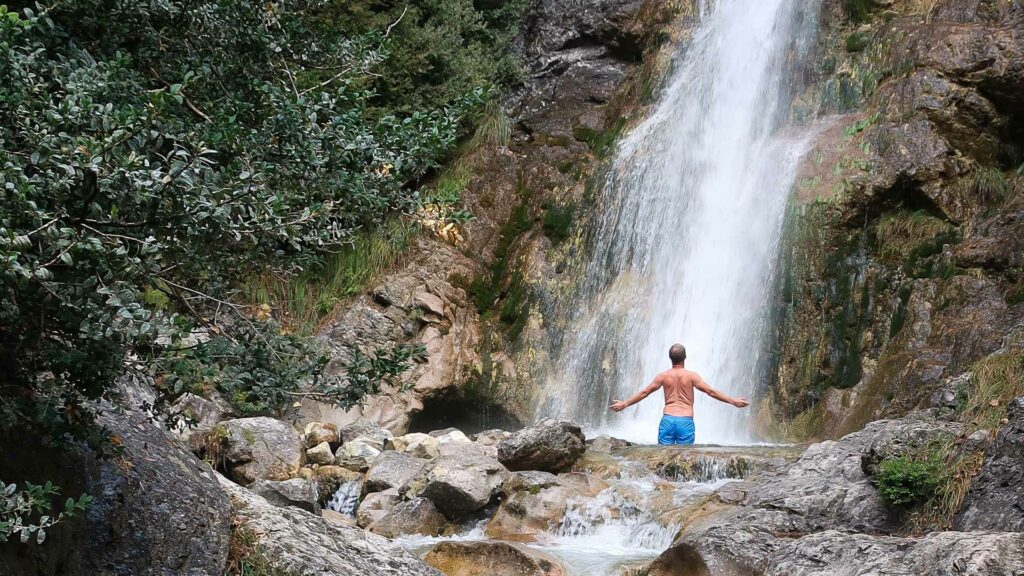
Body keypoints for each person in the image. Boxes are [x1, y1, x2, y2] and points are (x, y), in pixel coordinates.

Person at [608, 343, 749, 445]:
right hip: (685, 421)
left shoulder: (663, 376)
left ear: (670, 358)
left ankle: (662, 485)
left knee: (663, 459)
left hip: (668, 420)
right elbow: (711, 392)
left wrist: (625, 404)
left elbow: (644, 392)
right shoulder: (692, 376)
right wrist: (733, 401)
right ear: (685, 357)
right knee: (684, 460)